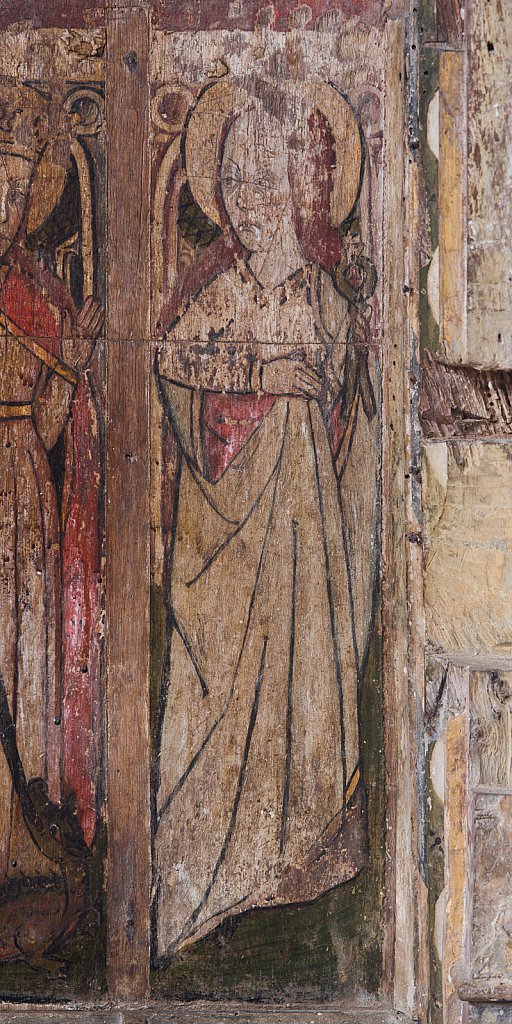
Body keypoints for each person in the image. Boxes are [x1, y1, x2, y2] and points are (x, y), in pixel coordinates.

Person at [153, 80, 380, 962]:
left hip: (303, 542)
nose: (250, 203)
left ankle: (294, 857)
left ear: (308, 189)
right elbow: (174, 377)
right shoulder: (214, 292)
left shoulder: (326, 296)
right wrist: (257, 384)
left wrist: (315, 375)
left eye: (269, 182)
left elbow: (352, 415)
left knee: (305, 693)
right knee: (211, 704)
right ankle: (209, 880)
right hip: (226, 540)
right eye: (236, 184)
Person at [0, 82, 103, 881]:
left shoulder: (39, 297)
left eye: (11, 187)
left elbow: (46, 428)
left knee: (22, 654)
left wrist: (79, 358)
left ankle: (19, 846)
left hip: (21, 489)